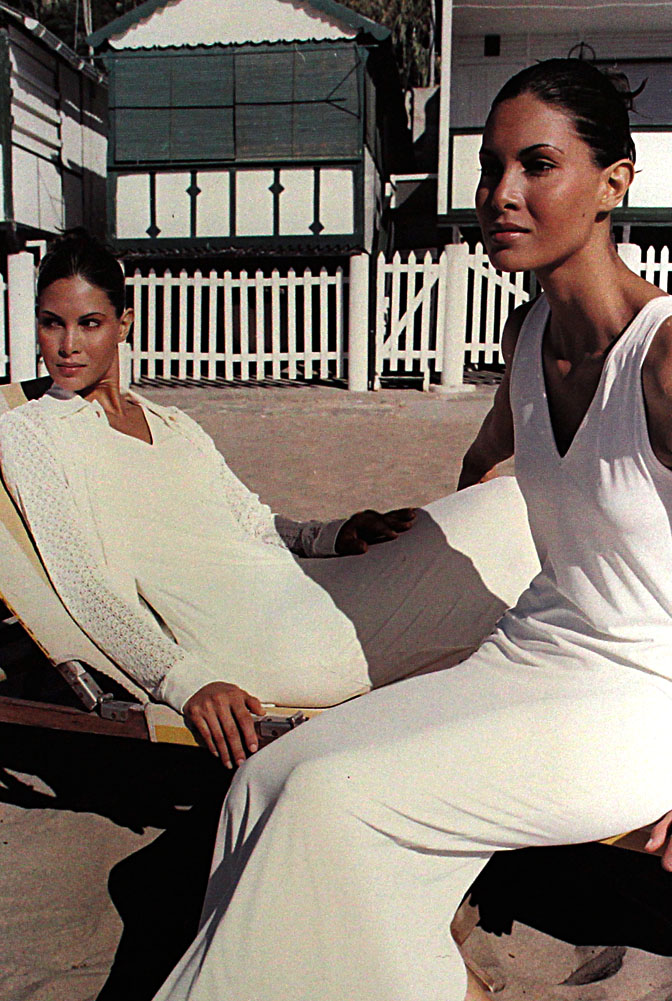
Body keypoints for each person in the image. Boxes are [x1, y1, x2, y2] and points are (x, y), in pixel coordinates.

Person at [147, 58, 672, 1001]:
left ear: (613, 183)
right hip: (530, 653)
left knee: (331, 804)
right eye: (490, 167)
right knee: (267, 780)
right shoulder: (528, 339)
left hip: (640, 699)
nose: (500, 193)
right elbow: (486, 463)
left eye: (537, 165)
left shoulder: (664, 359)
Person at [0, 229, 538, 769]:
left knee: (507, 502)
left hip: (294, 586)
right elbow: (82, 587)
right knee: (509, 550)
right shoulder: (31, 432)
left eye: (89, 323)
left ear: (124, 324)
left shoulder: (171, 421)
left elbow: (251, 520)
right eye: (52, 323)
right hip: (253, 639)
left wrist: (334, 534)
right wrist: (184, 681)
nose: (67, 345)